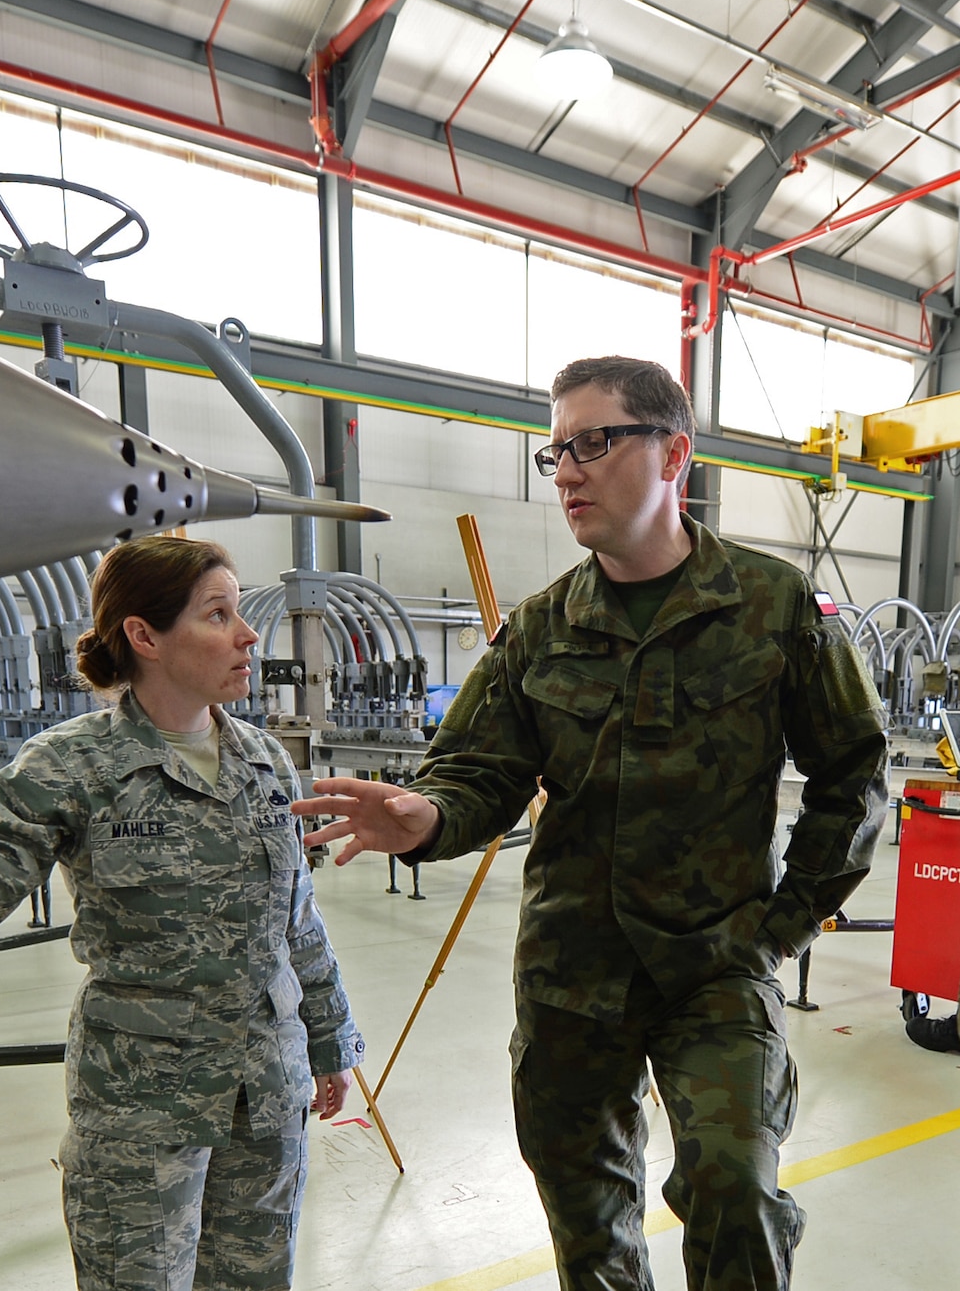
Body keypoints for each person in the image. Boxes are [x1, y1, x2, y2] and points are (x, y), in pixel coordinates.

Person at [293, 356, 889, 1290]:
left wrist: (786, 923)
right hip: (573, 975)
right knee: (588, 1222)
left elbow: (853, 773)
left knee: (737, 1187)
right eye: (557, 450)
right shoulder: (539, 630)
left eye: (594, 443)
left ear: (673, 456)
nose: (567, 470)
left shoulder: (775, 609)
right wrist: (425, 814)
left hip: (714, 966)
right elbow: (475, 774)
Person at [0, 536, 364, 1291]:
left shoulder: (264, 759)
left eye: (241, 612)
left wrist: (330, 1040)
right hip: (142, 1110)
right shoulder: (69, 766)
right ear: (144, 636)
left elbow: (296, 919)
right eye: (218, 615)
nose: (248, 635)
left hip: (265, 1095)